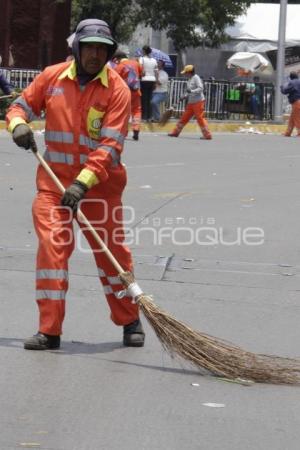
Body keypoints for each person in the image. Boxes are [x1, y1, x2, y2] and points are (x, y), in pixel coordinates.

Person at [6, 18, 145, 350]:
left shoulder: (118, 91)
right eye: (90, 48)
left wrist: (82, 184)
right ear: (77, 49)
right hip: (53, 185)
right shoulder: (52, 78)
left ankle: (130, 319)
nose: (95, 55)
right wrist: (17, 125)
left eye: (102, 49)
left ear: (110, 52)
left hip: (100, 189)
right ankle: (49, 330)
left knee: (112, 256)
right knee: (52, 251)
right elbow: (18, 107)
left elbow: (110, 147)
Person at [168, 65, 212, 140]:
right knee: (184, 117)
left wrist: (192, 91)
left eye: (186, 72)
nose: (185, 74)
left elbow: (201, 88)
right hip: (191, 102)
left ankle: (207, 135)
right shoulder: (189, 79)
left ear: (189, 72)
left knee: (200, 118)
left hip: (198, 101)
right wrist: (184, 96)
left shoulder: (196, 78)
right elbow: (188, 92)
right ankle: (175, 132)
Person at [111, 50, 142, 140]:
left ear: (117, 59)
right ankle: (136, 129)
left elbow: (114, 80)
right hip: (136, 91)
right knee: (137, 110)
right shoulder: (136, 63)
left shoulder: (119, 67)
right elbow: (141, 74)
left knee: (124, 112)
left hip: (124, 93)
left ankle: (124, 132)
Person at [139, 45, 158, 121]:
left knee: (143, 99)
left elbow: (141, 68)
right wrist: (156, 82)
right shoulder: (154, 60)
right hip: (152, 80)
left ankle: (144, 116)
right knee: (150, 98)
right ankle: (150, 116)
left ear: (144, 51)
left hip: (144, 80)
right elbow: (156, 72)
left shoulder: (142, 59)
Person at [280, 71, 300, 137]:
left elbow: (285, 91)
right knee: (292, 119)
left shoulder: (292, 83)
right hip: (297, 102)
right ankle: (288, 133)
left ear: (291, 77)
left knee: (297, 118)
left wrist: (282, 87)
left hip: (296, 102)